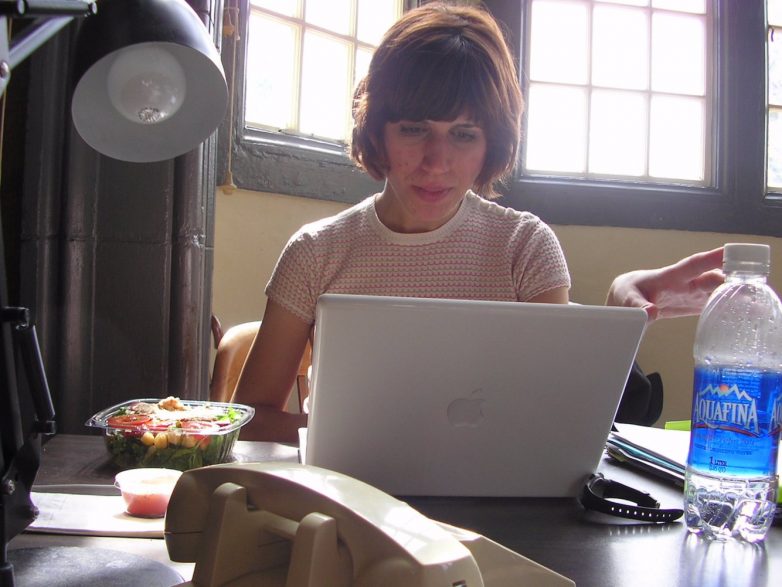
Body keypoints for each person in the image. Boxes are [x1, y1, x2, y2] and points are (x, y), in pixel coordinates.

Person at [233, 2, 724, 443]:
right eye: (414, 129)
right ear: (377, 131)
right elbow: (250, 419)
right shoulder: (316, 251)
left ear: (493, 143)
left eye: (464, 134)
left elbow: (562, 412)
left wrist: (618, 307)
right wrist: (349, 435)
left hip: (494, 498)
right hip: (351, 495)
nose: (436, 161)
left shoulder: (524, 246)